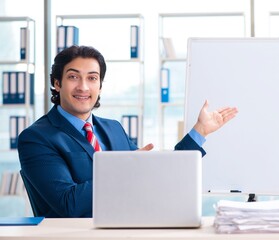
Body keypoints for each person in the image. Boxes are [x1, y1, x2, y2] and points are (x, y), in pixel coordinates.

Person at [18, 45, 238, 218]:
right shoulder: (36, 138)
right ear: (57, 83)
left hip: (127, 229)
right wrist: (127, 169)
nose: (83, 87)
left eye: (92, 78)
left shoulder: (113, 128)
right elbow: (68, 204)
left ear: (100, 86)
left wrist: (199, 132)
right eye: (73, 77)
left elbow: (156, 174)